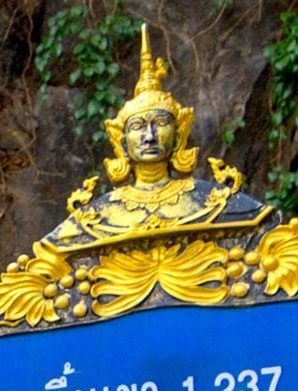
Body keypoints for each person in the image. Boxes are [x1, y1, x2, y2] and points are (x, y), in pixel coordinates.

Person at [45, 24, 269, 250]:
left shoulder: (216, 202)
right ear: (120, 140)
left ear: (178, 134)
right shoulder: (95, 217)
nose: (149, 136)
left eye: (160, 124)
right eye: (138, 126)